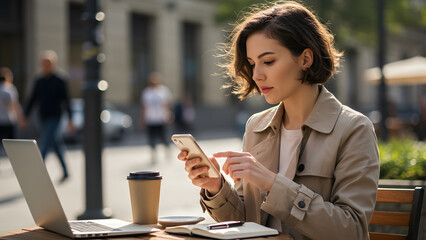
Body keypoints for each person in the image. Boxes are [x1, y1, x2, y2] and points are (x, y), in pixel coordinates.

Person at [177, 2, 380, 240]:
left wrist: (273, 184)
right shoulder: (256, 127)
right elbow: (245, 221)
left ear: (305, 59)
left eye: (269, 61)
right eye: (252, 63)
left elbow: (352, 230)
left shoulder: (353, 129)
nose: (256, 75)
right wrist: (216, 188)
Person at [25, 50, 75, 183]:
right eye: (43, 63)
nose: (45, 66)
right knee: (56, 145)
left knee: (45, 144)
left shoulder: (60, 80)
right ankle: (65, 172)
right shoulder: (39, 81)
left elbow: (67, 100)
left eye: (48, 63)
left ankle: (36, 173)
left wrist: (70, 119)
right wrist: (25, 116)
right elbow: (32, 99)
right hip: (43, 117)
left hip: (55, 117)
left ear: (54, 64)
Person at [139, 72, 172, 164]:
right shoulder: (146, 92)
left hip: (161, 119)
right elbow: (144, 107)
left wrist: (169, 115)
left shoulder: (163, 91)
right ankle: (154, 155)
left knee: (163, 137)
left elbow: (167, 105)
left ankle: (167, 151)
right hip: (150, 119)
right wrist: (142, 119)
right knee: (151, 138)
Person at [0, 67, 26, 155]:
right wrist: (21, 118)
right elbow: (14, 105)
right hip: (9, 120)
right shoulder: (9, 89)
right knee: (12, 145)